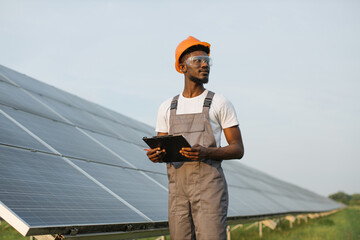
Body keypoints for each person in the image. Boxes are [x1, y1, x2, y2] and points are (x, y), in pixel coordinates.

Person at [146, 36, 244, 240]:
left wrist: (206, 152)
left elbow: (237, 149)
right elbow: (161, 148)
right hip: (178, 192)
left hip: (209, 190)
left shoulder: (219, 102)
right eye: (197, 60)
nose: (204, 65)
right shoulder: (167, 107)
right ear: (182, 67)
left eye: (207, 61)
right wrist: (156, 155)